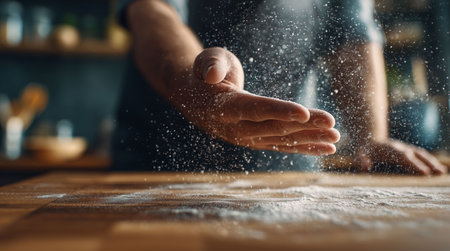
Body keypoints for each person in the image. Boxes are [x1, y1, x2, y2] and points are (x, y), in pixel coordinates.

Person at [112, 0, 447, 175]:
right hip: (156, 173)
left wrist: (371, 137)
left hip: (291, 168)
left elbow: (352, 34)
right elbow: (153, 11)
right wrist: (193, 84)